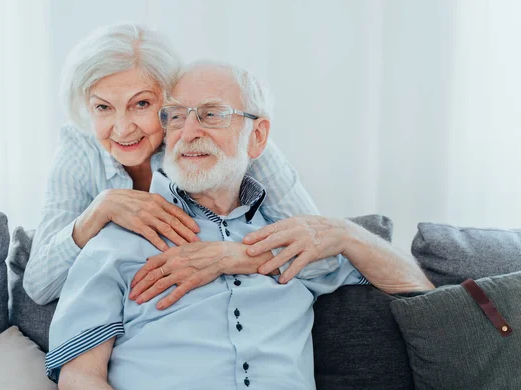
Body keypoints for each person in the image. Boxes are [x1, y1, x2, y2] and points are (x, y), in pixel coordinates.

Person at [46, 62, 434, 390]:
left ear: (259, 136)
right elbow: (78, 382)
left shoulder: (300, 241)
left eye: (212, 114)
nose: (188, 131)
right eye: (176, 116)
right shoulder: (117, 241)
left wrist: (345, 234)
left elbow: (419, 290)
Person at [24, 22, 324, 306]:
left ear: (171, 102)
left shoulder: (225, 139)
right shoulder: (80, 149)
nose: (122, 128)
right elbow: (40, 285)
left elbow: (320, 250)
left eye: (141, 104)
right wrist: (100, 210)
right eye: (103, 107)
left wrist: (232, 256)